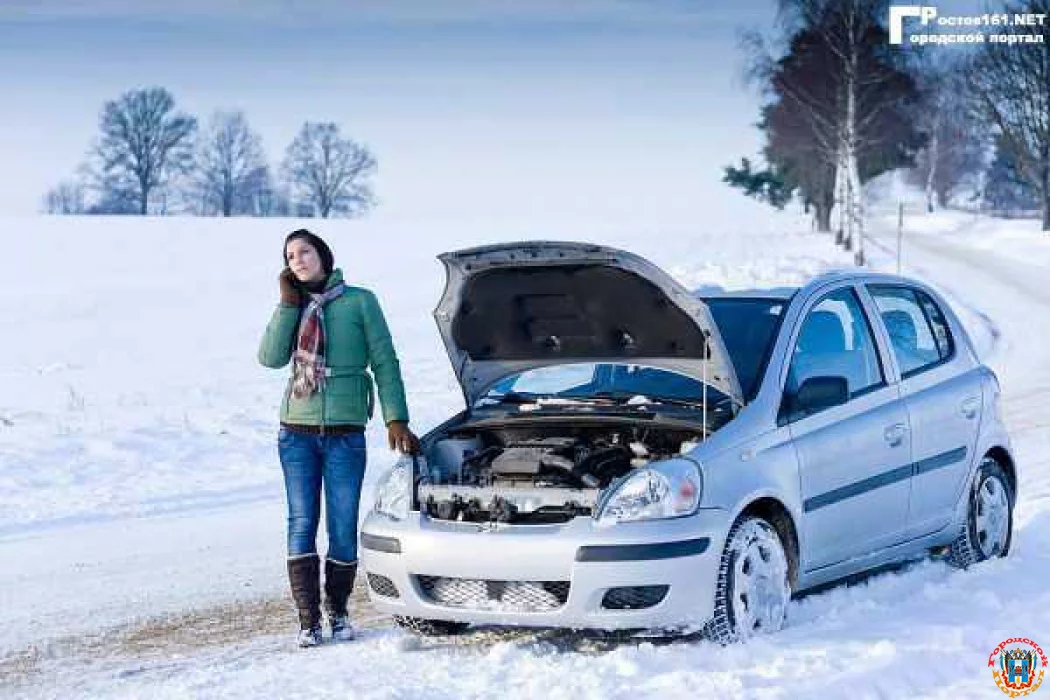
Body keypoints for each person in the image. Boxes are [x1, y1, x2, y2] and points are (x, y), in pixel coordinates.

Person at [258, 228, 420, 647]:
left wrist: (395, 418)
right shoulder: (294, 306)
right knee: (301, 522)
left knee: (343, 524)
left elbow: (385, 360)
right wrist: (287, 304)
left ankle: (340, 612)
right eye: (290, 255)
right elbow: (271, 358)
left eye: (304, 252)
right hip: (296, 432)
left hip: (345, 433)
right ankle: (308, 620)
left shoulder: (360, 301)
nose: (298, 260)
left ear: (323, 255)